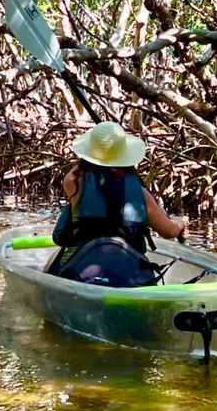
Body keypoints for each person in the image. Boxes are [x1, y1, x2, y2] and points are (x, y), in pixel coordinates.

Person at [50, 121, 187, 287]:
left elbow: (80, 168)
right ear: (126, 157)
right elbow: (169, 231)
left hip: (83, 270)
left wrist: (93, 156)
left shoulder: (73, 183)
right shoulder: (141, 193)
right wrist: (180, 223)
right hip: (130, 275)